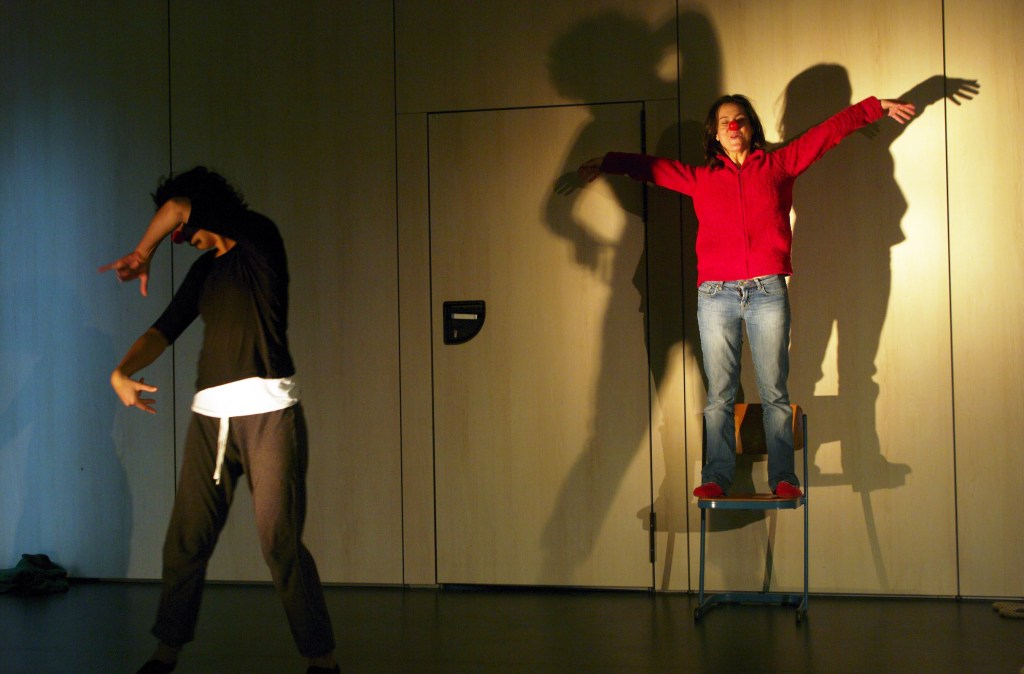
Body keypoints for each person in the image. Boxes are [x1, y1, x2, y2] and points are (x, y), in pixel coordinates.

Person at [579, 94, 915, 499]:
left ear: (752, 127)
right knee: (720, 392)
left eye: (739, 119)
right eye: (724, 122)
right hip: (715, 295)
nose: (733, 126)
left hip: (766, 290)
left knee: (774, 390)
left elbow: (825, 136)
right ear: (715, 136)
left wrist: (874, 108)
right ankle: (717, 477)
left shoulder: (779, 165)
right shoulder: (701, 178)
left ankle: (783, 477)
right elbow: (652, 168)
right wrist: (607, 162)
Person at [101, 167, 339, 674]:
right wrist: (121, 371)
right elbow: (163, 329)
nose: (180, 239)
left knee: (279, 543)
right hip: (210, 420)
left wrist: (143, 252)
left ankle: (322, 660)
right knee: (186, 540)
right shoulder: (203, 272)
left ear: (200, 211)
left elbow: (176, 208)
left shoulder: (257, 237)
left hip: (269, 415)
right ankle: (165, 653)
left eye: (180, 232)